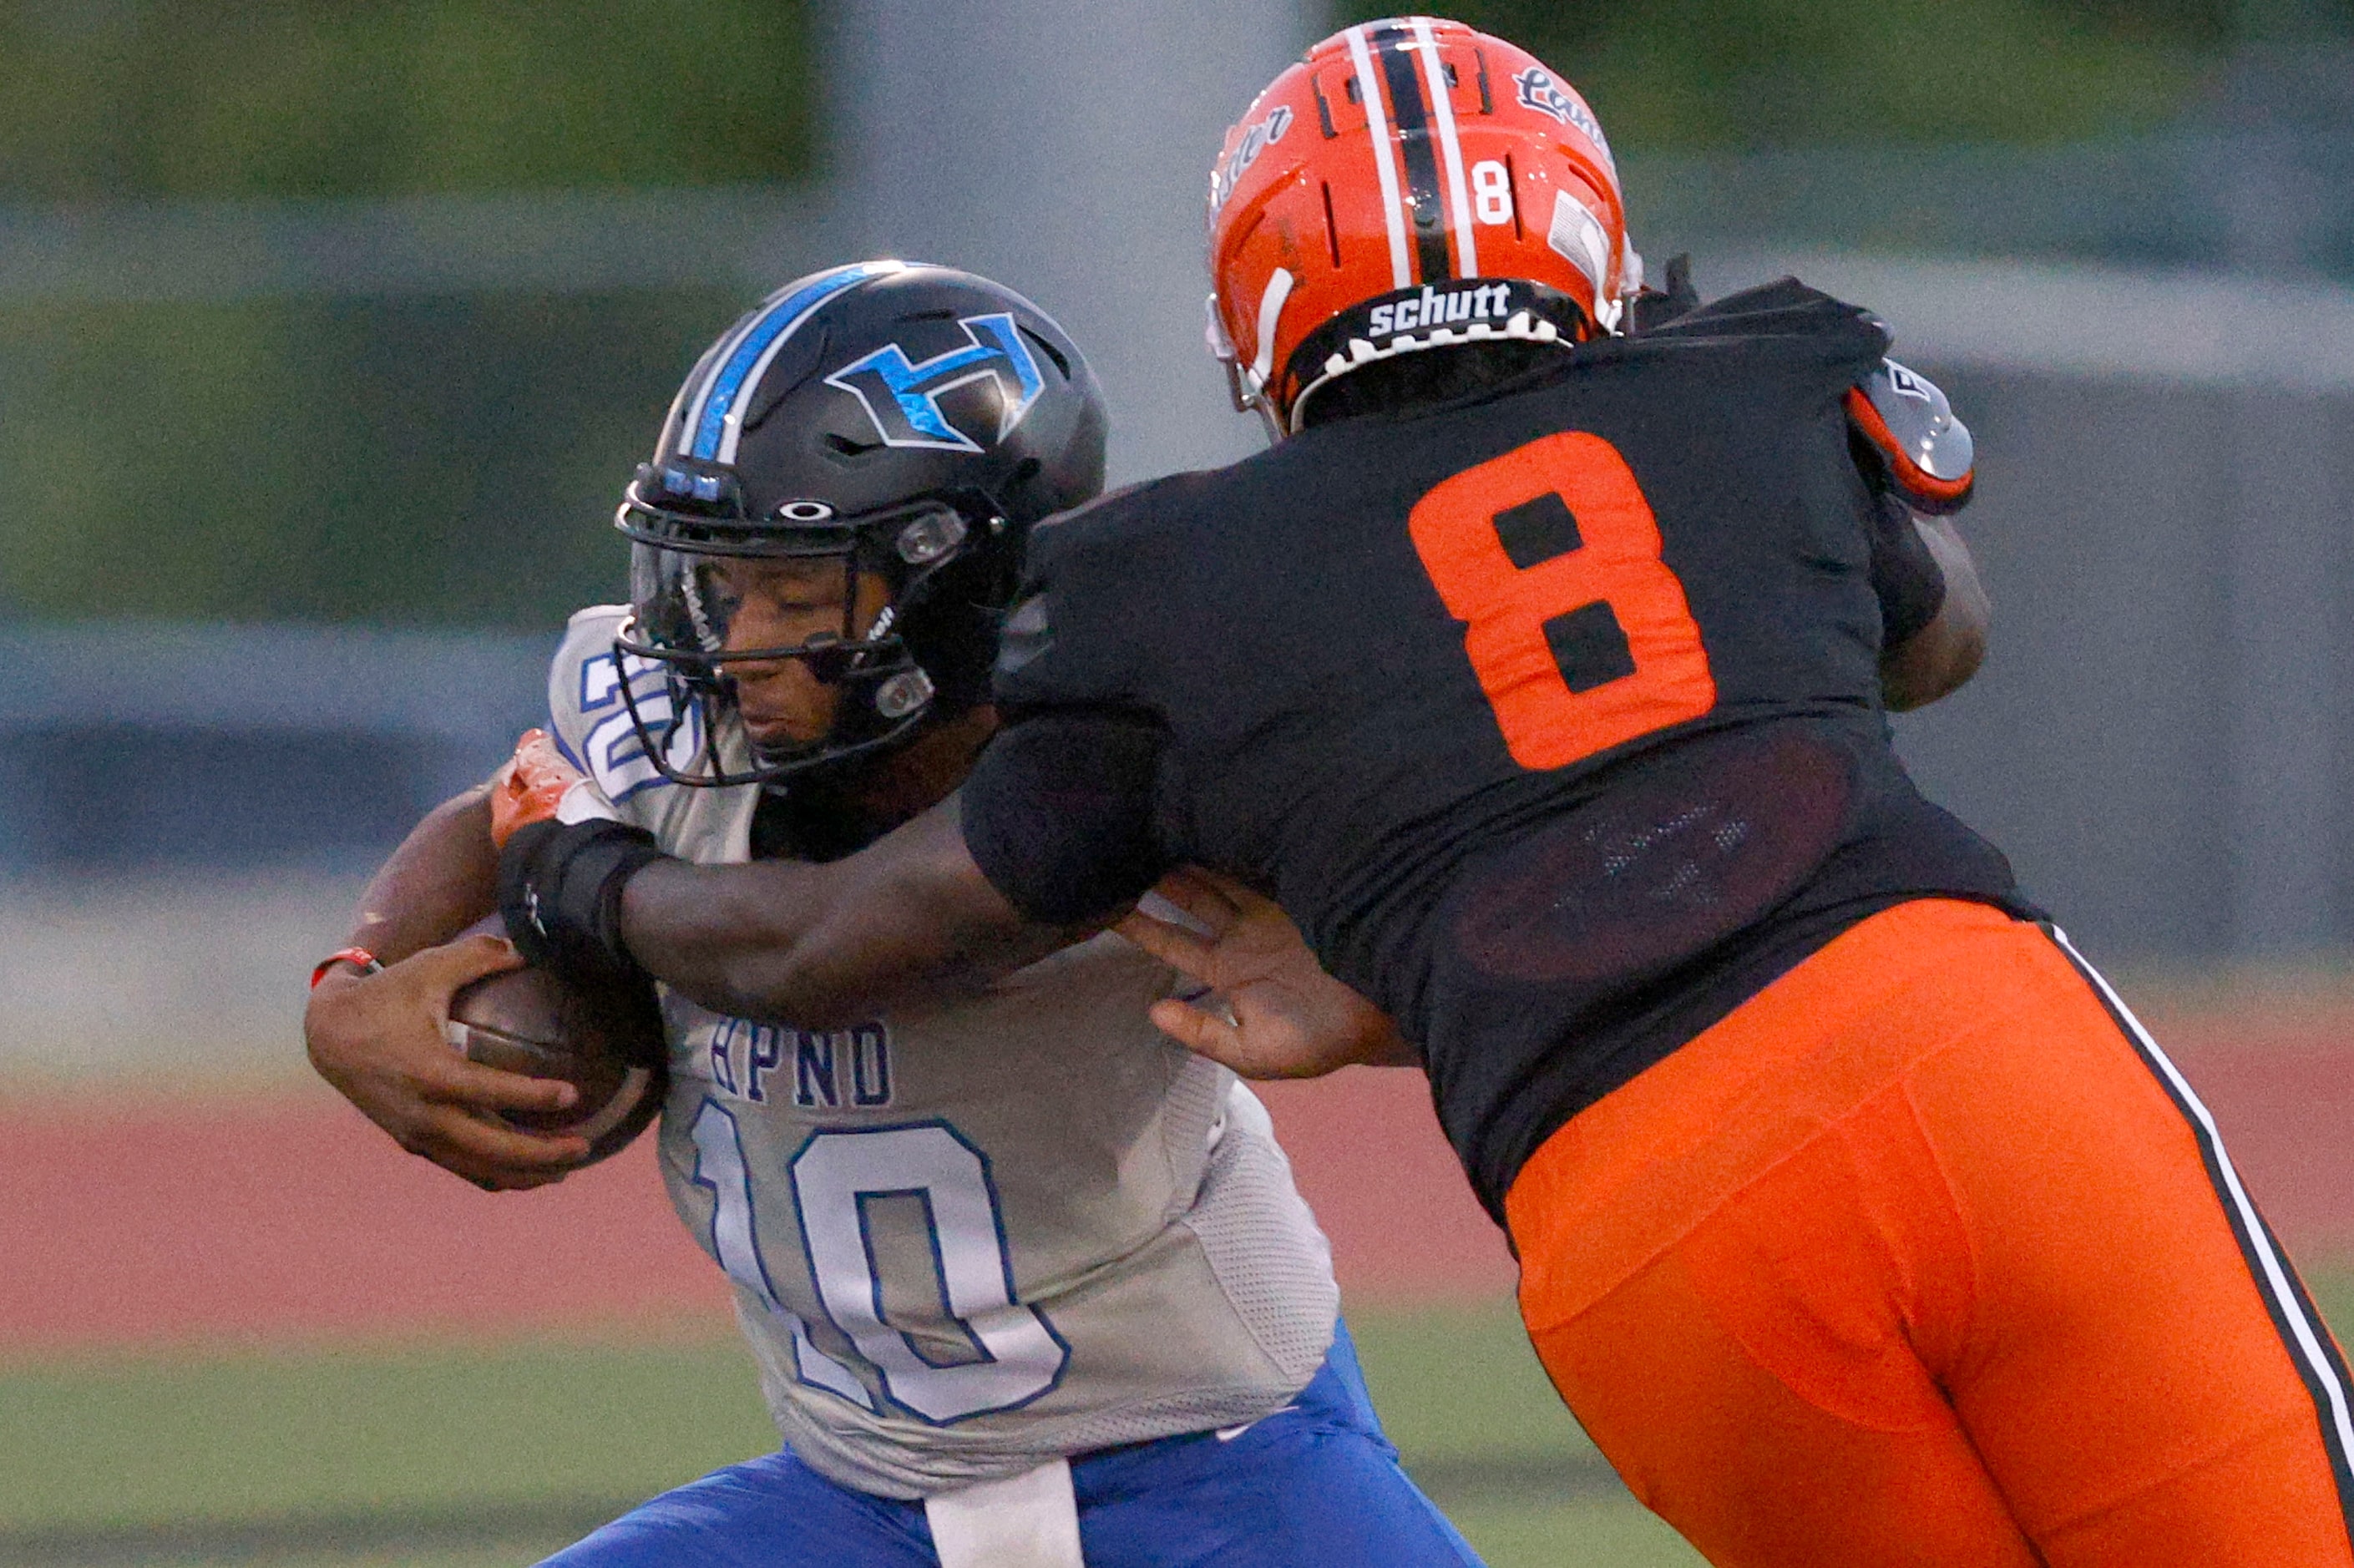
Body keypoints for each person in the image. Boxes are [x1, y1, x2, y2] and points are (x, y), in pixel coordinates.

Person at [489, 20, 2354, 1568]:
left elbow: (836, 939)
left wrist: (568, 874)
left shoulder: (1166, 587)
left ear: (1257, 308)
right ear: (1583, 238)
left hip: (1635, 1199)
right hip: (1956, 1047)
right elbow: (1933, 636)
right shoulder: (1751, 371)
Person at [303, 261, 1484, 1568]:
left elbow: (805, 942)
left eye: (798, 592)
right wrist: (349, 980)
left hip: (1216, 1459)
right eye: (717, 579)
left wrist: (1374, 995)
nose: (734, 642)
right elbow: (505, 811)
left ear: (951, 590)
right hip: (854, 1500)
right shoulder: (674, 715)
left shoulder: (1148, 761)